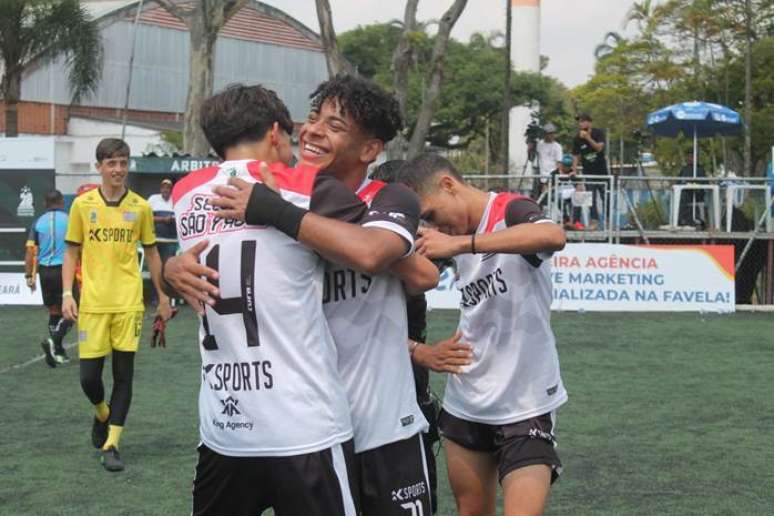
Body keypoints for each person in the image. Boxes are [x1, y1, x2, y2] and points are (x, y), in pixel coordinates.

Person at [164, 82, 437, 516]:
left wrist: (278, 212)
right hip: (304, 419)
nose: (310, 133)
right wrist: (170, 271)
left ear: (369, 149)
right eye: (311, 120)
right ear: (277, 132)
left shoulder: (382, 196)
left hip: (378, 427)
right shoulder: (287, 187)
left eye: (333, 125)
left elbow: (420, 273)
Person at [399, 153, 568, 516]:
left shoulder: (509, 209)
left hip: (526, 403)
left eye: (430, 214)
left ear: (448, 185)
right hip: (467, 400)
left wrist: (462, 245)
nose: (432, 225)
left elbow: (553, 236)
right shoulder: (448, 234)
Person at [62, 138, 173, 472]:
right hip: (93, 305)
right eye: (111, 163)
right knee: (88, 379)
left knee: (124, 376)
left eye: (123, 163)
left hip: (128, 304)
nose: (118, 170)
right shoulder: (82, 205)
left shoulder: (140, 207)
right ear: (99, 167)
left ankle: (112, 444)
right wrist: (68, 293)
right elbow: (71, 251)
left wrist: (163, 295)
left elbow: (152, 253)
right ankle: (102, 412)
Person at [24, 190, 73, 366]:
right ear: (61, 202)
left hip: (45, 272)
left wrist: (29, 275)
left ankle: (58, 353)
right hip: (64, 270)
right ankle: (56, 342)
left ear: (45, 204)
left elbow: (30, 252)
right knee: (73, 311)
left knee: (54, 311)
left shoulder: (38, 222)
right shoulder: (69, 220)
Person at [572, 113, 607, 229]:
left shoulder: (598, 133)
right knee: (591, 198)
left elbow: (599, 147)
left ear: (589, 122)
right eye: (579, 122)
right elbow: (576, 155)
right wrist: (574, 170)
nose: (580, 124)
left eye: (583, 121)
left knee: (605, 197)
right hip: (588, 172)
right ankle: (594, 221)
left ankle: (608, 220)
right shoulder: (577, 138)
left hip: (602, 171)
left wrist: (588, 138)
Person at [146, 178, 178, 266]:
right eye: (163, 188)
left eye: (168, 188)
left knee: (167, 267)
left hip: (171, 241)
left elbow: (180, 217)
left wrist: (173, 219)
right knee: (155, 266)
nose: (165, 190)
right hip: (155, 240)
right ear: (160, 189)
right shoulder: (153, 199)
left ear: (171, 190)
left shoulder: (176, 199)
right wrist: (163, 219)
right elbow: (147, 218)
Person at [534, 123, 563, 202]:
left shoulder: (557, 146)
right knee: (541, 200)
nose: (551, 135)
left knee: (552, 199)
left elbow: (559, 163)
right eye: (549, 133)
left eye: (553, 133)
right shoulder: (539, 144)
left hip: (552, 177)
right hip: (541, 176)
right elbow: (533, 157)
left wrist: (555, 178)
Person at [677, 153, 707, 227]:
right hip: (683, 191)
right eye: (689, 157)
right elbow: (678, 181)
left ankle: (683, 219)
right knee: (667, 197)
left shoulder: (700, 169)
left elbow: (705, 183)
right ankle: (676, 218)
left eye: (692, 157)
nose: (689, 159)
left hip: (696, 194)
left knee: (683, 198)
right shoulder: (684, 169)